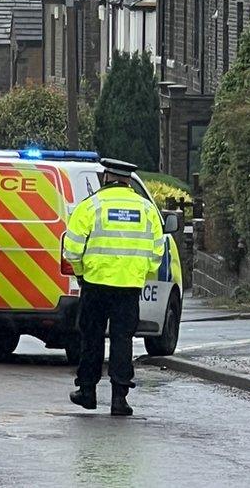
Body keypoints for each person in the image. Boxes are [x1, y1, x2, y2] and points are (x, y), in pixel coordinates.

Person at [63, 159, 164, 416]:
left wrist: (82, 274)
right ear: (128, 180)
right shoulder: (146, 209)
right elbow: (157, 252)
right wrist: (140, 274)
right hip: (129, 287)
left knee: (92, 337)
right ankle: (119, 398)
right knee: (123, 339)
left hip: (95, 284)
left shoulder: (90, 207)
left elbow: (72, 250)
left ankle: (87, 392)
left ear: (106, 177)